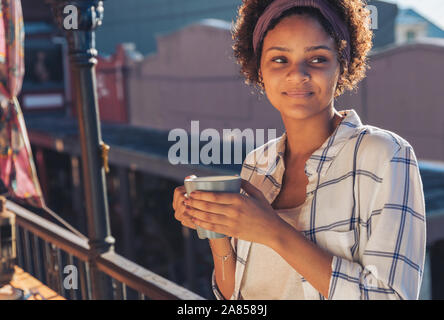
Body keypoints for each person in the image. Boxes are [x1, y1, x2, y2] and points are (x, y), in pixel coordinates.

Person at [172, 0, 426, 300]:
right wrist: (215, 228)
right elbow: (234, 295)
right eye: (280, 59)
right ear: (259, 71)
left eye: (317, 58)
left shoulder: (385, 155)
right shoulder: (257, 164)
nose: (297, 74)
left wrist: (273, 232)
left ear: (342, 67)